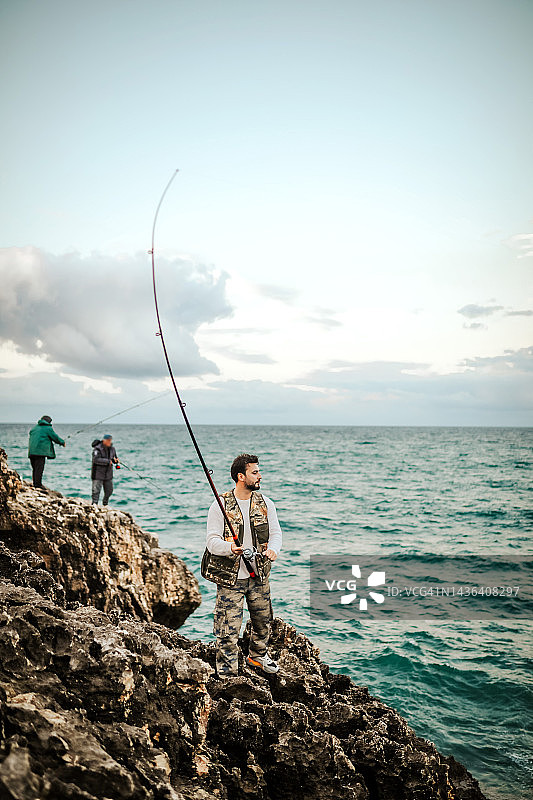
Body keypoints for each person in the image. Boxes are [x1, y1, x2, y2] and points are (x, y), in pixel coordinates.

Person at [203, 453, 282, 677]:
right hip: (231, 578)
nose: (260, 476)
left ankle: (257, 656)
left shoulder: (266, 503)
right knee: (227, 629)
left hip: (258, 575)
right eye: (255, 472)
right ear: (241, 476)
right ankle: (228, 674)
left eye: (258, 471)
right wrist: (231, 549)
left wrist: (273, 550)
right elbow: (212, 542)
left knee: (263, 620)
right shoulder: (219, 505)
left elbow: (276, 533)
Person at [27, 415, 66, 489]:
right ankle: (38, 485)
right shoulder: (48, 428)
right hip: (40, 452)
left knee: (35, 468)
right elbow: (55, 437)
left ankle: (35, 483)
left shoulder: (34, 428)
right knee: (39, 468)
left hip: (32, 451)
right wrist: (62, 442)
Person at [91, 434, 119, 506]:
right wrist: (107, 461)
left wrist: (115, 461)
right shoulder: (97, 449)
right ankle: (94, 504)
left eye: (111, 440)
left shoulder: (112, 449)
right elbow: (96, 459)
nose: (110, 442)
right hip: (98, 474)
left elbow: (113, 458)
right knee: (96, 491)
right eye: (108, 440)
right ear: (104, 440)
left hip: (108, 474)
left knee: (109, 491)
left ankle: (105, 504)